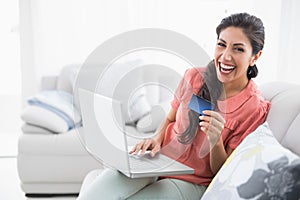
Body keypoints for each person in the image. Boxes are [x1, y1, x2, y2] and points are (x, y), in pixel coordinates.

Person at [77, 12, 270, 200]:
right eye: (221, 45)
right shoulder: (194, 77)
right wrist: (155, 139)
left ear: (255, 56)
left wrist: (215, 140)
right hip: (158, 161)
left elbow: (225, 172)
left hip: (194, 181)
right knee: (99, 191)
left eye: (238, 49)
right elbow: (171, 118)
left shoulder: (254, 109)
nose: (225, 56)